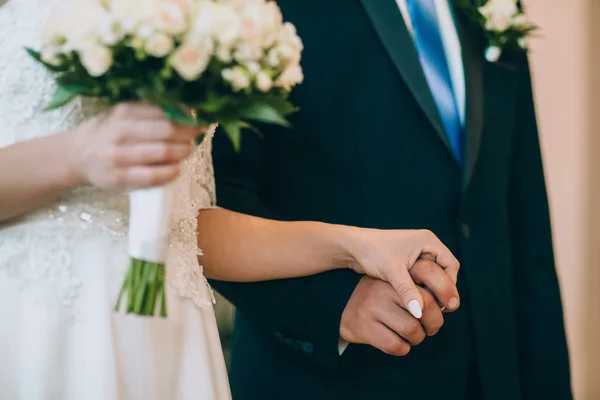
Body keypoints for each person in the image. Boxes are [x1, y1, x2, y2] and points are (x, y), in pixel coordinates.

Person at [0, 1, 461, 399]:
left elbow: (187, 228)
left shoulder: (202, 15)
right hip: (37, 322)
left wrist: (354, 245)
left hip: (167, 335)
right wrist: (77, 155)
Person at [211, 0, 573, 399]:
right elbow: (212, 202)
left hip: (492, 376)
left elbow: (525, 223)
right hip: (330, 379)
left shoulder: (497, 7)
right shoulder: (258, 8)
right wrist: (334, 303)